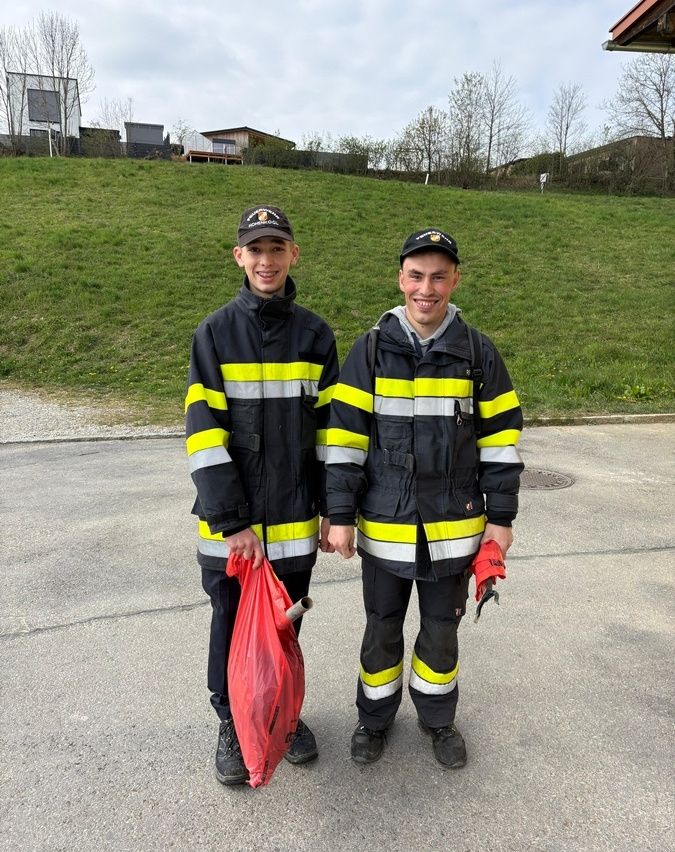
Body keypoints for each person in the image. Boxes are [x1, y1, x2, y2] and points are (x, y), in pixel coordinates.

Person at [326, 228, 523, 768]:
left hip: (454, 531)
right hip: (386, 527)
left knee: (441, 635)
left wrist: (500, 520)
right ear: (400, 279)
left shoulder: (478, 354)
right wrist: (339, 515)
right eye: (416, 276)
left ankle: (438, 720)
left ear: (455, 280)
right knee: (381, 629)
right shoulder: (369, 350)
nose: (426, 289)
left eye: (439, 276)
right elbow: (343, 440)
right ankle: (374, 719)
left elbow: (500, 443)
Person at [185, 205, 338, 785]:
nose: (266, 260)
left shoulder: (316, 335)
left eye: (277, 249)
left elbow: (330, 435)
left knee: (286, 625)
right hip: (235, 529)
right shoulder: (215, 333)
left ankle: (282, 715)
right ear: (239, 257)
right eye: (256, 249)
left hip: (296, 522)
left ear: (293, 255)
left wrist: (332, 510)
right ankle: (231, 721)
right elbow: (204, 437)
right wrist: (233, 523)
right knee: (230, 623)